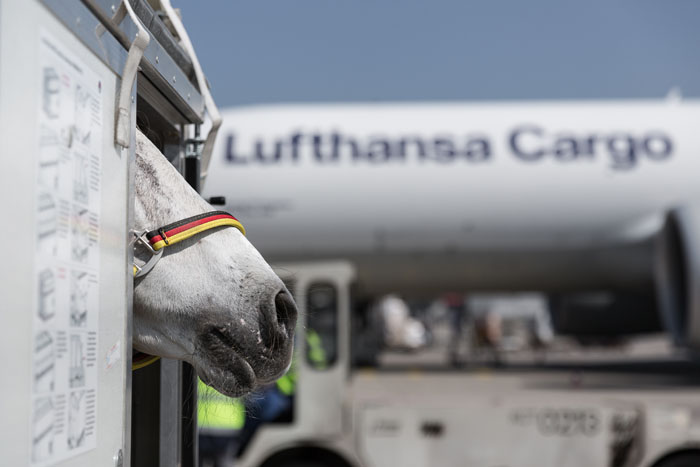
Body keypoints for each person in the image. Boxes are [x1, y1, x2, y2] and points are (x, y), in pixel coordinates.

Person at [198, 379, 245, 467]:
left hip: (200, 427)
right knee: (224, 462)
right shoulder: (238, 370)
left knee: (194, 461)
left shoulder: (198, 370)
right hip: (228, 428)